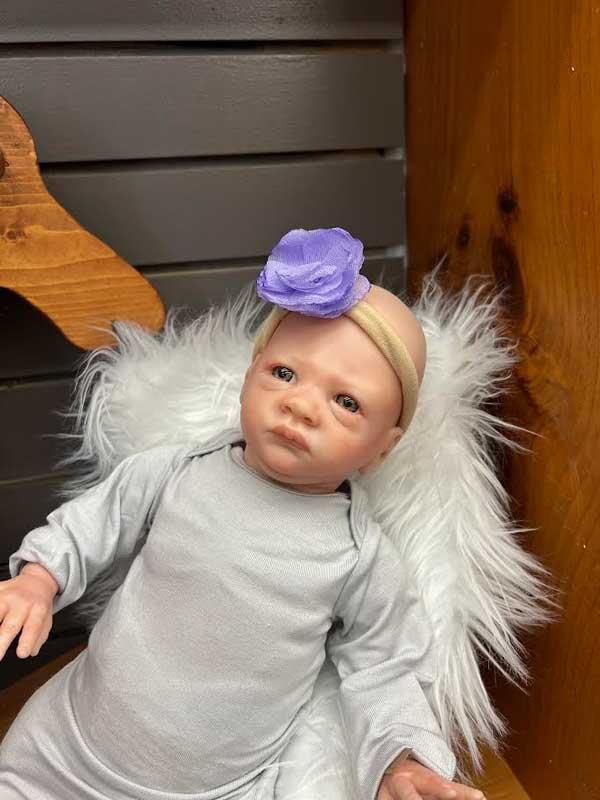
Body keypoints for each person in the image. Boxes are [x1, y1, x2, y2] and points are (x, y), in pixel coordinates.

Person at [0, 228, 486, 800]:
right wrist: (39, 578)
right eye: (284, 373)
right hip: (62, 749)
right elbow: (92, 523)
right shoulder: (178, 470)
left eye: (346, 402)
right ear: (249, 376)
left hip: (218, 788)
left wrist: (399, 762)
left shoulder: (359, 557)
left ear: (383, 447)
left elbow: (386, 668)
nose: (300, 405)